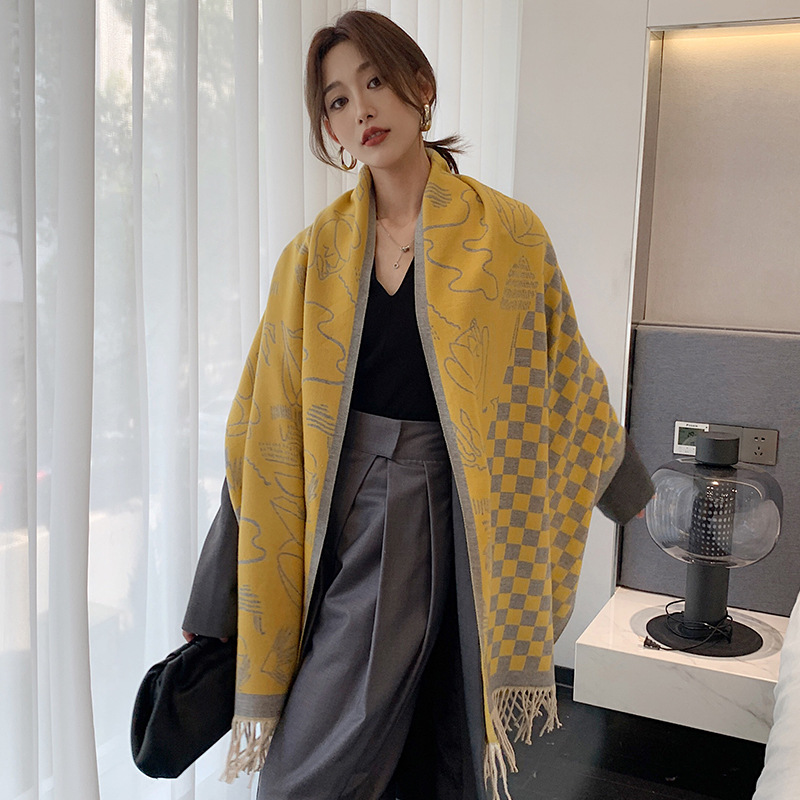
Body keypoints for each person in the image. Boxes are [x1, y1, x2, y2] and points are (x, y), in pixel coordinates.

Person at [182, 10, 653, 800]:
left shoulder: (508, 235)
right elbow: (262, 430)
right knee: (335, 751)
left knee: (433, 739)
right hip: (335, 513)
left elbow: (565, 373)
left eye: (374, 81)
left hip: (459, 511)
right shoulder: (311, 256)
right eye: (337, 99)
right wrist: (215, 597)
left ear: (420, 85)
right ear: (328, 128)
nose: (361, 109)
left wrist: (630, 490)